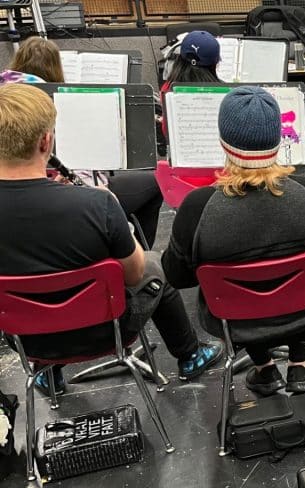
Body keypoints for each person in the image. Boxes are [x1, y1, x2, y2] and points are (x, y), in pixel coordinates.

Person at [0, 83, 223, 395]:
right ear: (46, 140)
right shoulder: (96, 204)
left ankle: (49, 374)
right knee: (157, 264)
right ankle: (190, 355)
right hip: (104, 329)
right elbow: (133, 273)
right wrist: (115, 219)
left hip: (26, 339)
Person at [162, 86, 305, 396]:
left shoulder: (197, 206)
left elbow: (177, 276)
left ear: (223, 144)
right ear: (279, 139)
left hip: (234, 322)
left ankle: (263, 367)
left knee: (240, 295)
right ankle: (299, 363)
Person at [2, 36, 166, 249]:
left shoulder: (5, 96)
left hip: (17, 192)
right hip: (65, 193)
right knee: (152, 184)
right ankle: (133, 247)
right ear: (46, 142)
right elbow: (86, 171)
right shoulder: (59, 103)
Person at [160, 30, 222, 138]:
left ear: (179, 59)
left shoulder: (167, 90)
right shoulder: (224, 94)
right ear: (215, 63)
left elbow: (166, 132)